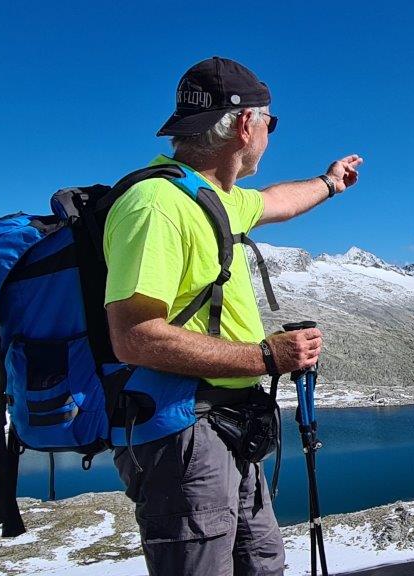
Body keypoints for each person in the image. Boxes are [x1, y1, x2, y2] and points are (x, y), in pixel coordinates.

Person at [103, 56, 362, 576]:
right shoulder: (157, 205)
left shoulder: (211, 199)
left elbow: (273, 201)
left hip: (226, 427)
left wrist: (330, 182)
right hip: (183, 433)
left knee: (262, 562)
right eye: (271, 122)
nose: (271, 133)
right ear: (247, 124)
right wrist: (264, 356)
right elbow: (132, 336)